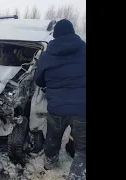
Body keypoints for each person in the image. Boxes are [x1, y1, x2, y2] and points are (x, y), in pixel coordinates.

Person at [33, 19, 86, 180]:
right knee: (83, 150)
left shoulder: (47, 55)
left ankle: (50, 163)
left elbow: (38, 81)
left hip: (56, 108)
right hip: (82, 109)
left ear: (55, 35)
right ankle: (77, 176)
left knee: (52, 139)